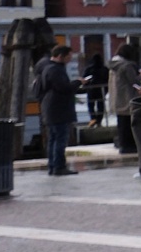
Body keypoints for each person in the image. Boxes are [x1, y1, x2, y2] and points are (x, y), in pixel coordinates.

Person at [34, 43, 79, 177]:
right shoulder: (55, 70)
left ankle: (52, 166)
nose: (70, 59)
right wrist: (78, 83)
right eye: (68, 57)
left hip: (49, 109)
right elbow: (63, 88)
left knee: (53, 139)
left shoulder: (46, 68)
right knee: (60, 139)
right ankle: (59, 166)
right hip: (58, 110)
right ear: (61, 56)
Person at [108, 40, 141, 153]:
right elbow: (134, 81)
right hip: (127, 98)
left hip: (117, 99)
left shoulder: (113, 65)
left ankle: (122, 145)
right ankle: (128, 146)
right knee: (129, 125)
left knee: (121, 125)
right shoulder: (127, 66)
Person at [80, 48, 107, 123]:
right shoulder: (104, 69)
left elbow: (84, 78)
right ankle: (99, 120)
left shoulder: (89, 69)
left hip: (91, 89)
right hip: (101, 90)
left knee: (91, 105)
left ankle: (93, 118)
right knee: (100, 105)